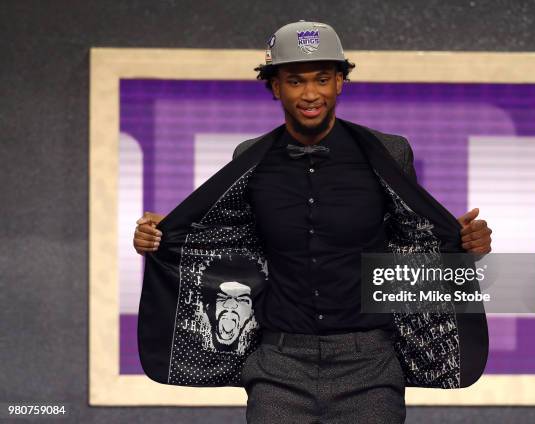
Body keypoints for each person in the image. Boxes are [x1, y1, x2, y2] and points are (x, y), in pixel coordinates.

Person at [134, 21, 492, 424]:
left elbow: (411, 242)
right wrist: (161, 236)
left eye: (322, 79)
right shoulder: (249, 158)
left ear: (340, 82)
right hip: (278, 368)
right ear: (275, 87)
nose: (310, 93)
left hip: (370, 367)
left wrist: (465, 248)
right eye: (295, 80)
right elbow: (229, 242)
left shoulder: (390, 153)